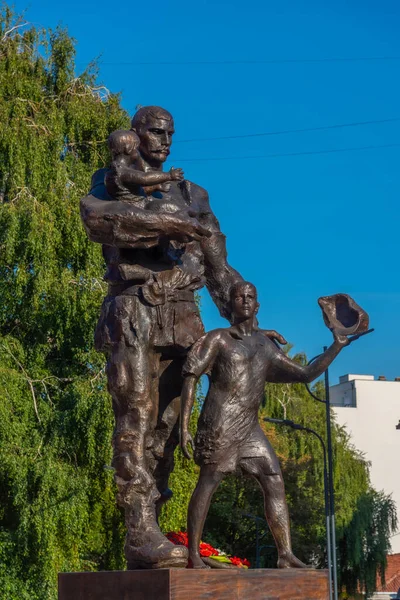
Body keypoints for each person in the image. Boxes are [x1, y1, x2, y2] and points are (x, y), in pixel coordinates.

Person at [80, 106, 286, 569]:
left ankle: (153, 529)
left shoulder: (193, 192)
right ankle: (139, 532)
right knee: (135, 415)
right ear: (136, 133)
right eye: (156, 131)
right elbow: (100, 220)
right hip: (133, 308)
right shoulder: (114, 177)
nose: (165, 140)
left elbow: (218, 268)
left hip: (182, 316)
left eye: (170, 133)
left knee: (168, 429)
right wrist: (174, 226)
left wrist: (248, 324)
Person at [180, 281, 357, 569]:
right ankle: (192, 555)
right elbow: (190, 376)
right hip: (220, 425)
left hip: (249, 428)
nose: (245, 300)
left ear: (258, 305)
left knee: (274, 480)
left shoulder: (265, 345)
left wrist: (337, 346)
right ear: (231, 305)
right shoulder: (218, 339)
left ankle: (285, 554)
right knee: (209, 482)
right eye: (239, 296)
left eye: (251, 296)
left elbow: (304, 373)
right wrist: (184, 426)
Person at [105, 128, 184, 203]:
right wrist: (169, 175)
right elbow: (145, 178)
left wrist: (155, 187)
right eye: (136, 149)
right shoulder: (122, 171)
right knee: (163, 206)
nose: (166, 142)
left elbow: (134, 190)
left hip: (134, 204)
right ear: (128, 149)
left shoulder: (112, 170)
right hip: (135, 205)